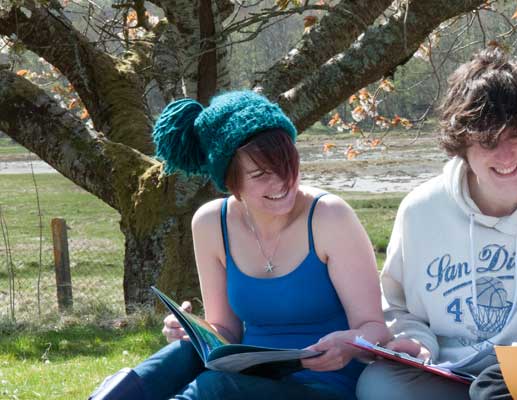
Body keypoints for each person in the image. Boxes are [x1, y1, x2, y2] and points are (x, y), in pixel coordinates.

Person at [89, 91, 391, 400]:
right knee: (182, 355)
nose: (282, 182)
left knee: (213, 388)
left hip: (325, 385)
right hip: (248, 378)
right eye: (261, 174)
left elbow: (375, 328)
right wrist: (195, 331)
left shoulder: (329, 217)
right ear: (231, 180)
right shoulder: (210, 223)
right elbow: (226, 330)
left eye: (288, 165)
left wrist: (351, 343)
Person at [354, 47, 517, 400]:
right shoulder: (420, 211)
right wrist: (416, 340)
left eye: (516, 135)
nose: (505, 156)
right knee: (378, 386)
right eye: (488, 141)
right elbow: (398, 306)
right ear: (461, 144)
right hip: (443, 371)